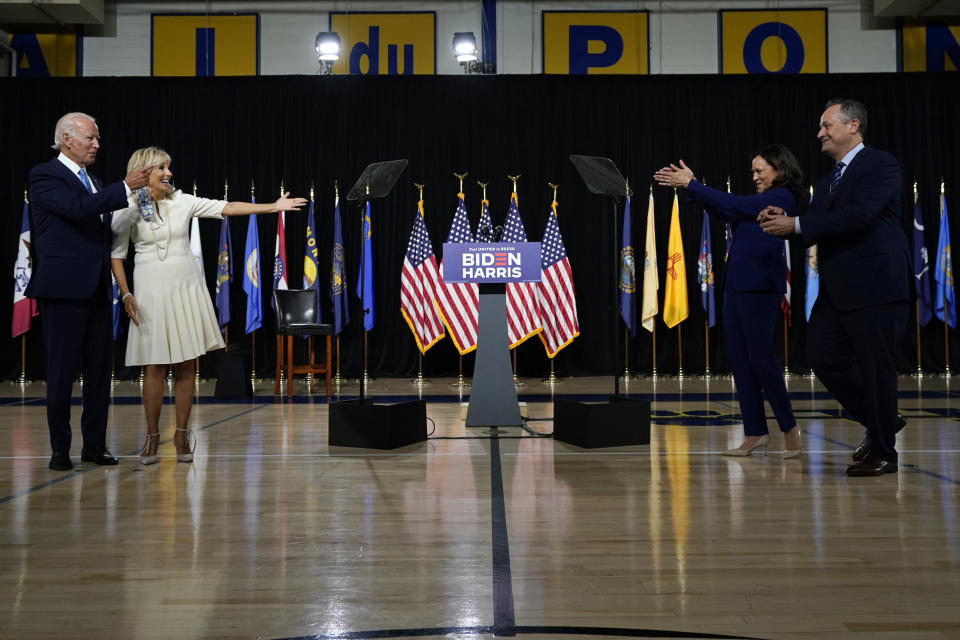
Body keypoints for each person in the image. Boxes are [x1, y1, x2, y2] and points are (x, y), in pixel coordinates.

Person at [111, 146, 306, 464]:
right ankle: (151, 435)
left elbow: (227, 207)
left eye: (169, 168)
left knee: (187, 365)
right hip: (148, 290)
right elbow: (116, 256)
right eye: (161, 168)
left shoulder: (183, 201)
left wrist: (273, 207)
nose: (168, 173)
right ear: (144, 172)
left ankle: (182, 434)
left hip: (185, 287)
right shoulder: (128, 207)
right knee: (154, 366)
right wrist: (125, 293)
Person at [759, 98, 910, 477]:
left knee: (877, 370)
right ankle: (881, 419)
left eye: (827, 126)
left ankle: (883, 453)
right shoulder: (826, 181)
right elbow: (813, 224)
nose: (820, 133)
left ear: (853, 126)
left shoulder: (880, 165)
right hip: (837, 291)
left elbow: (859, 215)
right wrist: (787, 218)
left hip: (876, 287)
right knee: (821, 355)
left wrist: (796, 224)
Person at [654, 145, 803, 458]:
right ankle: (755, 433)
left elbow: (737, 204)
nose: (755, 176)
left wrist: (693, 185)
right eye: (753, 171)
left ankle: (789, 429)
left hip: (761, 285)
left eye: (760, 170)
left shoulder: (782, 197)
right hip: (736, 285)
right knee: (739, 360)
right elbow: (726, 209)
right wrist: (691, 187)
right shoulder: (754, 202)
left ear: (779, 170)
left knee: (761, 359)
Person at [27, 112, 153, 471]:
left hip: (97, 289)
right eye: (90, 138)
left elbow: (104, 222)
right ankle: (60, 450)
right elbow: (75, 209)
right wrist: (125, 187)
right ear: (67, 139)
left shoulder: (95, 181)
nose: (97, 144)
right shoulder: (45, 175)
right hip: (64, 289)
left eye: (97, 139)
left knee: (99, 372)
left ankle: (95, 446)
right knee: (63, 372)